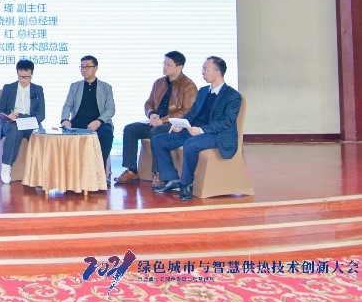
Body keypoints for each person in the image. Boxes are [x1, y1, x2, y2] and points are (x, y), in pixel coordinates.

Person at [152, 56, 242, 201]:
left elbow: (226, 122)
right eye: (202, 69)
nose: (203, 72)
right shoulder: (203, 91)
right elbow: (193, 112)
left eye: (206, 69)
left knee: (191, 144)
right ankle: (172, 179)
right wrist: (182, 124)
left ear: (218, 72)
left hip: (216, 134)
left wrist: (201, 130)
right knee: (159, 140)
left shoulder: (232, 96)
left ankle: (186, 183)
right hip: (193, 130)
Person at [114, 51, 198, 187]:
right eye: (164, 63)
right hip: (155, 121)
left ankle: (158, 173)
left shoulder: (188, 86)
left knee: (156, 131)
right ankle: (132, 170)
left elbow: (186, 111)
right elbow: (149, 103)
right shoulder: (159, 82)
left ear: (180, 67)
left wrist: (162, 121)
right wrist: (152, 114)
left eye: (169, 65)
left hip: (173, 125)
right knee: (130, 129)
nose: (165, 67)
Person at [60, 55, 115, 166]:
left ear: (95, 68)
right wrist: (65, 119)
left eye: (87, 67)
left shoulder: (106, 87)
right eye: (82, 67)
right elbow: (67, 105)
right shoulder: (75, 86)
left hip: (99, 122)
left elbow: (110, 109)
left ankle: (98, 168)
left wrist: (99, 121)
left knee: (107, 133)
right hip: (78, 121)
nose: (84, 70)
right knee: (64, 134)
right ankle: (70, 170)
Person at [0, 59, 45, 184]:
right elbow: (0, 111)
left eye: (26, 77)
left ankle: (40, 171)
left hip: (30, 121)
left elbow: (42, 114)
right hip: (13, 121)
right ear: (17, 73)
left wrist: (31, 120)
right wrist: (9, 116)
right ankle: (6, 166)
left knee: (39, 135)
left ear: (32, 74)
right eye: (21, 76)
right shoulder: (8, 88)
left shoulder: (38, 89)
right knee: (15, 130)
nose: (23, 80)